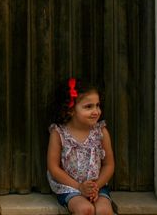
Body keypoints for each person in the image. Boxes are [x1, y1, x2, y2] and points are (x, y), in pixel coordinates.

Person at [46, 78, 115, 215]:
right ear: (71, 110)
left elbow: (109, 165)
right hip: (70, 187)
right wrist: (79, 187)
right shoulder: (59, 133)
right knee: (85, 209)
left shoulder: (101, 132)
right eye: (88, 107)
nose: (96, 111)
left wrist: (96, 187)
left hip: (97, 186)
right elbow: (53, 168)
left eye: (97, 105)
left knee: (104, 210)